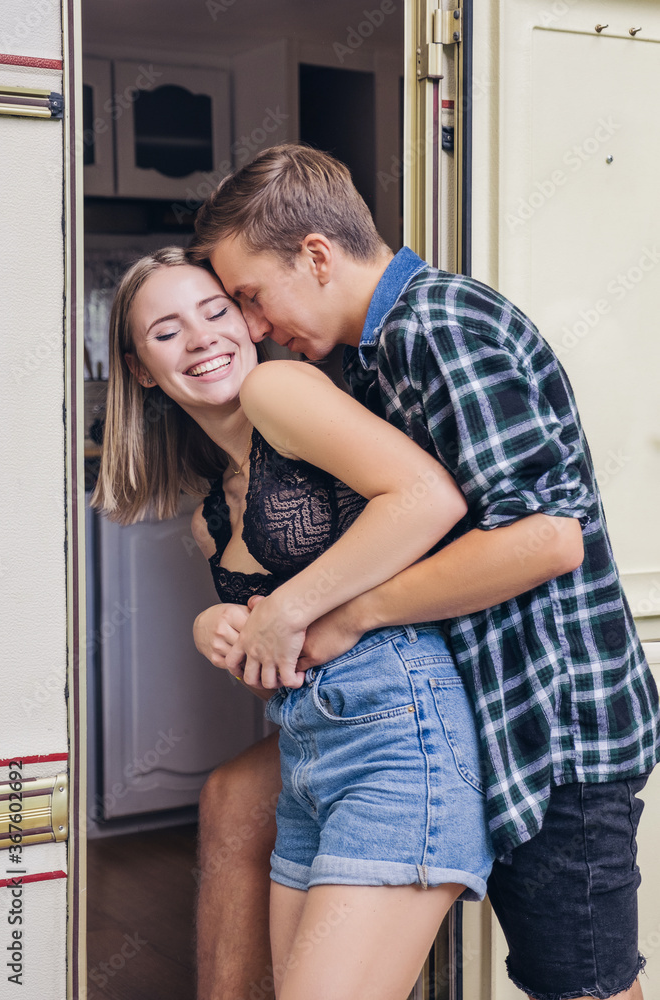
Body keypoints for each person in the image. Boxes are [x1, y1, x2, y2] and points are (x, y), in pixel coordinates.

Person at [189, 144, 660, 1000]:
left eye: (251, 297)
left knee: (582, 989)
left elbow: (547, 538)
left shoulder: (440, 325)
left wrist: (351, 612)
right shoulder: (371, 356)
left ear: (318, 256)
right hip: (504, 718)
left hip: (558, 726)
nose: (251, 328)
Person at [92, 246, 497, 1000]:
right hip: (310, 755)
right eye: (166, 331)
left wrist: (284, 607)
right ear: (141, 368)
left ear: (249, 320)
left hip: (398, 740)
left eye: (216, 312)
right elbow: (285, 665)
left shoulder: (282, 389)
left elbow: (430, 500)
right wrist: (222, 630)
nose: (202, 338)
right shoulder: (212, 517)